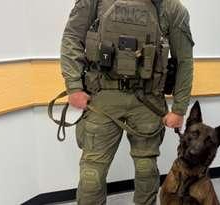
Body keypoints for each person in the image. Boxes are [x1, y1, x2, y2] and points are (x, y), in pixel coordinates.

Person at [60, 0, 194, 204]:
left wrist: (179, 108)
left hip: (147, 102)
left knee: (146, 170)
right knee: (91, 175)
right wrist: (74, 86)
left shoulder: (171, 8)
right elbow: (72, 37)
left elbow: (184, 60)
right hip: (102, 99)